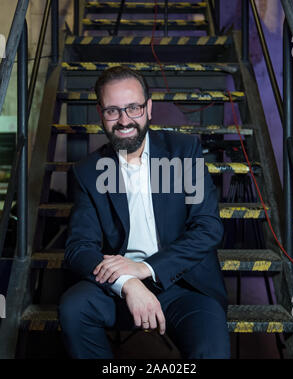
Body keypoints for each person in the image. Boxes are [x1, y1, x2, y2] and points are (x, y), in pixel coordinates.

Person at [58, 66, 230, 359]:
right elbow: (78, 248)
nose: (124, 120)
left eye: (133, 108)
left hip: (184, 284)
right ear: (100, 113)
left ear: (149, 108)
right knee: (74, 308)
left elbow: (207, 228)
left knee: (211, 351)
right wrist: (128, 283)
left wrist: (147, 268)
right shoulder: (88, 171)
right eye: (113, 111)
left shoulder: (183, 151)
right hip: (118, 290)